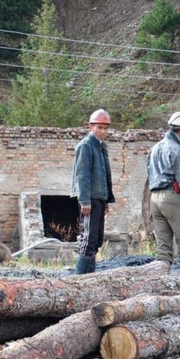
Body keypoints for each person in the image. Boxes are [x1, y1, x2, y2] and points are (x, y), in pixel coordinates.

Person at [146, 111, 180, 272]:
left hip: (155, 199)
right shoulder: (177, 149)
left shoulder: (155, 148)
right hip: (173, 197)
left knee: (163, 244)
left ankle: (161, 276)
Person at [70, 109, 115, 274]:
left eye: (105, 128)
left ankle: (90, 279)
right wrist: (84, 200)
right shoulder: (85, 146)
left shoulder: (101, 147)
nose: (103, 131)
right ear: (90, 127)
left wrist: (106, 201)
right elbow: (82, 175)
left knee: (96, 240)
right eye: (99, 127)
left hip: (99, 198)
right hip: (90, 199)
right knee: (87, 240)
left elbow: (104, 176)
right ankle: (79, 280)